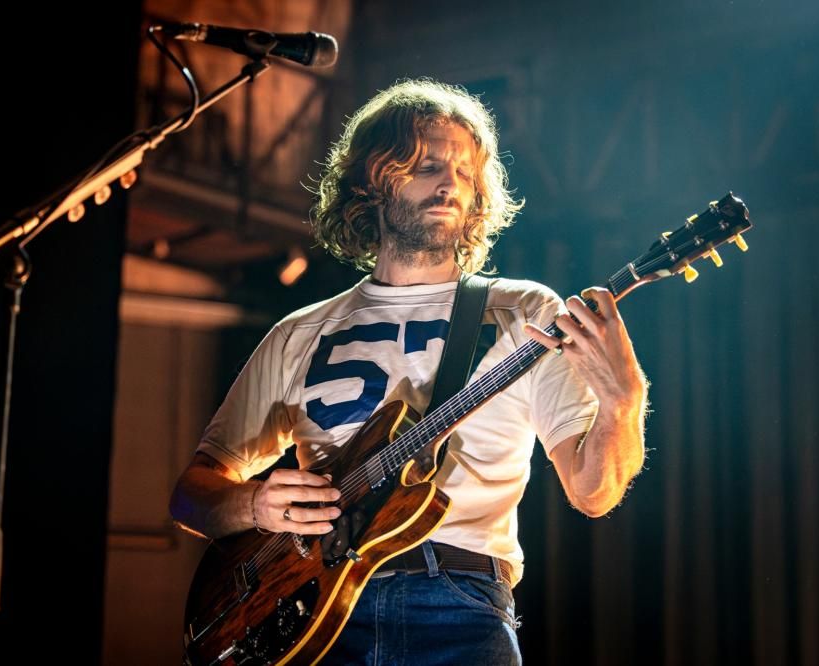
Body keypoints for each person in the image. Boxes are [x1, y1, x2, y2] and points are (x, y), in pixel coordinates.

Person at [169, 78, 647, 664]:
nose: (450, 184)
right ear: (371, 180)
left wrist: (624, 400)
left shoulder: (525, 312)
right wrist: (255, 505)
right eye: (427, 165)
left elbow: (593, 494)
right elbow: (191, 497)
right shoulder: (299, 333)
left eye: (465, 173)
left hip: (461, 605)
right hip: (313, 612)